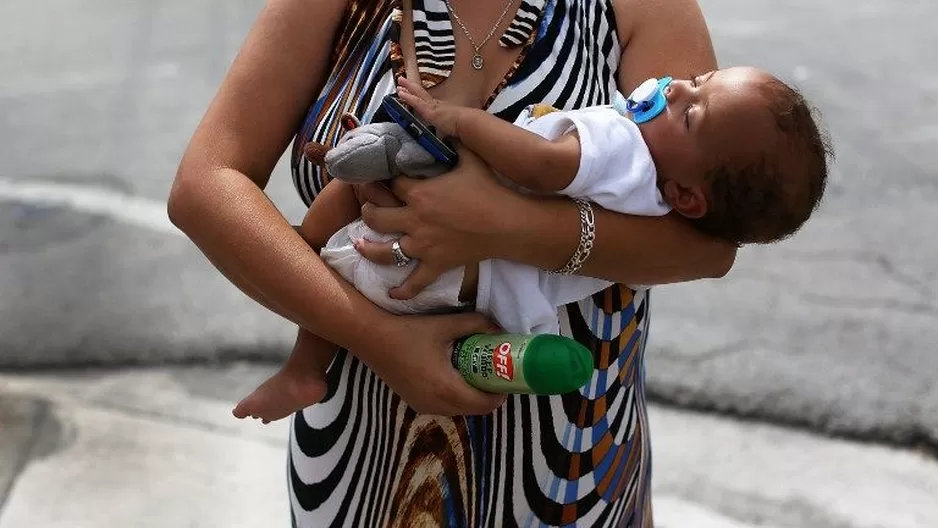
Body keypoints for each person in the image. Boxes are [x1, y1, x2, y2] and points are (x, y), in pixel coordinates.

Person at [168, 0, 754, 525]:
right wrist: (374, 338)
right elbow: (205, 186)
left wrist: (506, 224)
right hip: (359, 466)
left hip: (569, 471)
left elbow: (706, 242)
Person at [231, 68, 829, 423]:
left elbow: (544, 165)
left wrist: (458, 121)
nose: (676, 88)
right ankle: (316, 356)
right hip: (476, 295)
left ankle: (306, 341)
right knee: (355, 222)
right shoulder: (663, 193)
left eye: (692, 111)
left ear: (691, 195)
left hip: (441, 262)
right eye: (696, 82)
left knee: (348, 204)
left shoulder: (624, 147)